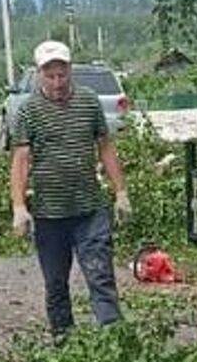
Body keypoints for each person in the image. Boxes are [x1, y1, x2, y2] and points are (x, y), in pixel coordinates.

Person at [10, 40, 132, 335]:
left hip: (89, 211)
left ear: (69, 70)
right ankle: (64, 345)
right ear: (40, 74)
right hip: (50, 216)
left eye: (62, 74)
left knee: (100, 277)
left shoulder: (89, 102)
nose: (57, 82)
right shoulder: (28, 111)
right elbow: (21, 160)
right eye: (50, 76)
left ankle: (114, 343)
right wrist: (19, 207)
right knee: (56, 285)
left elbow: (105, 146)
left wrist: (121, 193)